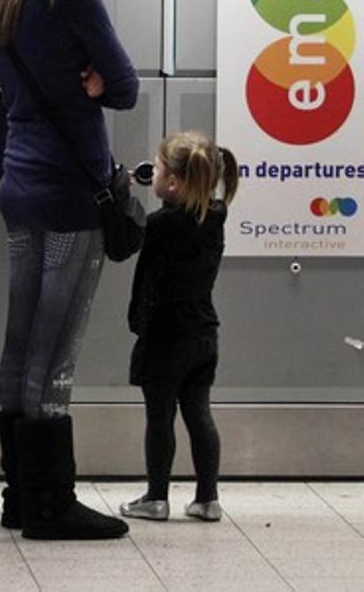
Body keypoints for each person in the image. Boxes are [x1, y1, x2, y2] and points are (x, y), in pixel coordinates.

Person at [0, 0, 139, 539]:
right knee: (57, 350)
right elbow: (124, 85)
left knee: (20, 342)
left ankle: (20, 494)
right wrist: (94, 86)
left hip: (19, 182)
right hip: (72, 191)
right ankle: (51, 502)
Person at [120, 132, 237, 523]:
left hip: (165, 336)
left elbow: (125, 237)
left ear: (172, 183)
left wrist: (120, 190)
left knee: (160, 416)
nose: (151, 171)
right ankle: (208, 499)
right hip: (204, 333)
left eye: (158, 168)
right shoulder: (214, 215)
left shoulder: (161, 224)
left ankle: (156, 497)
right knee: (199, 412)